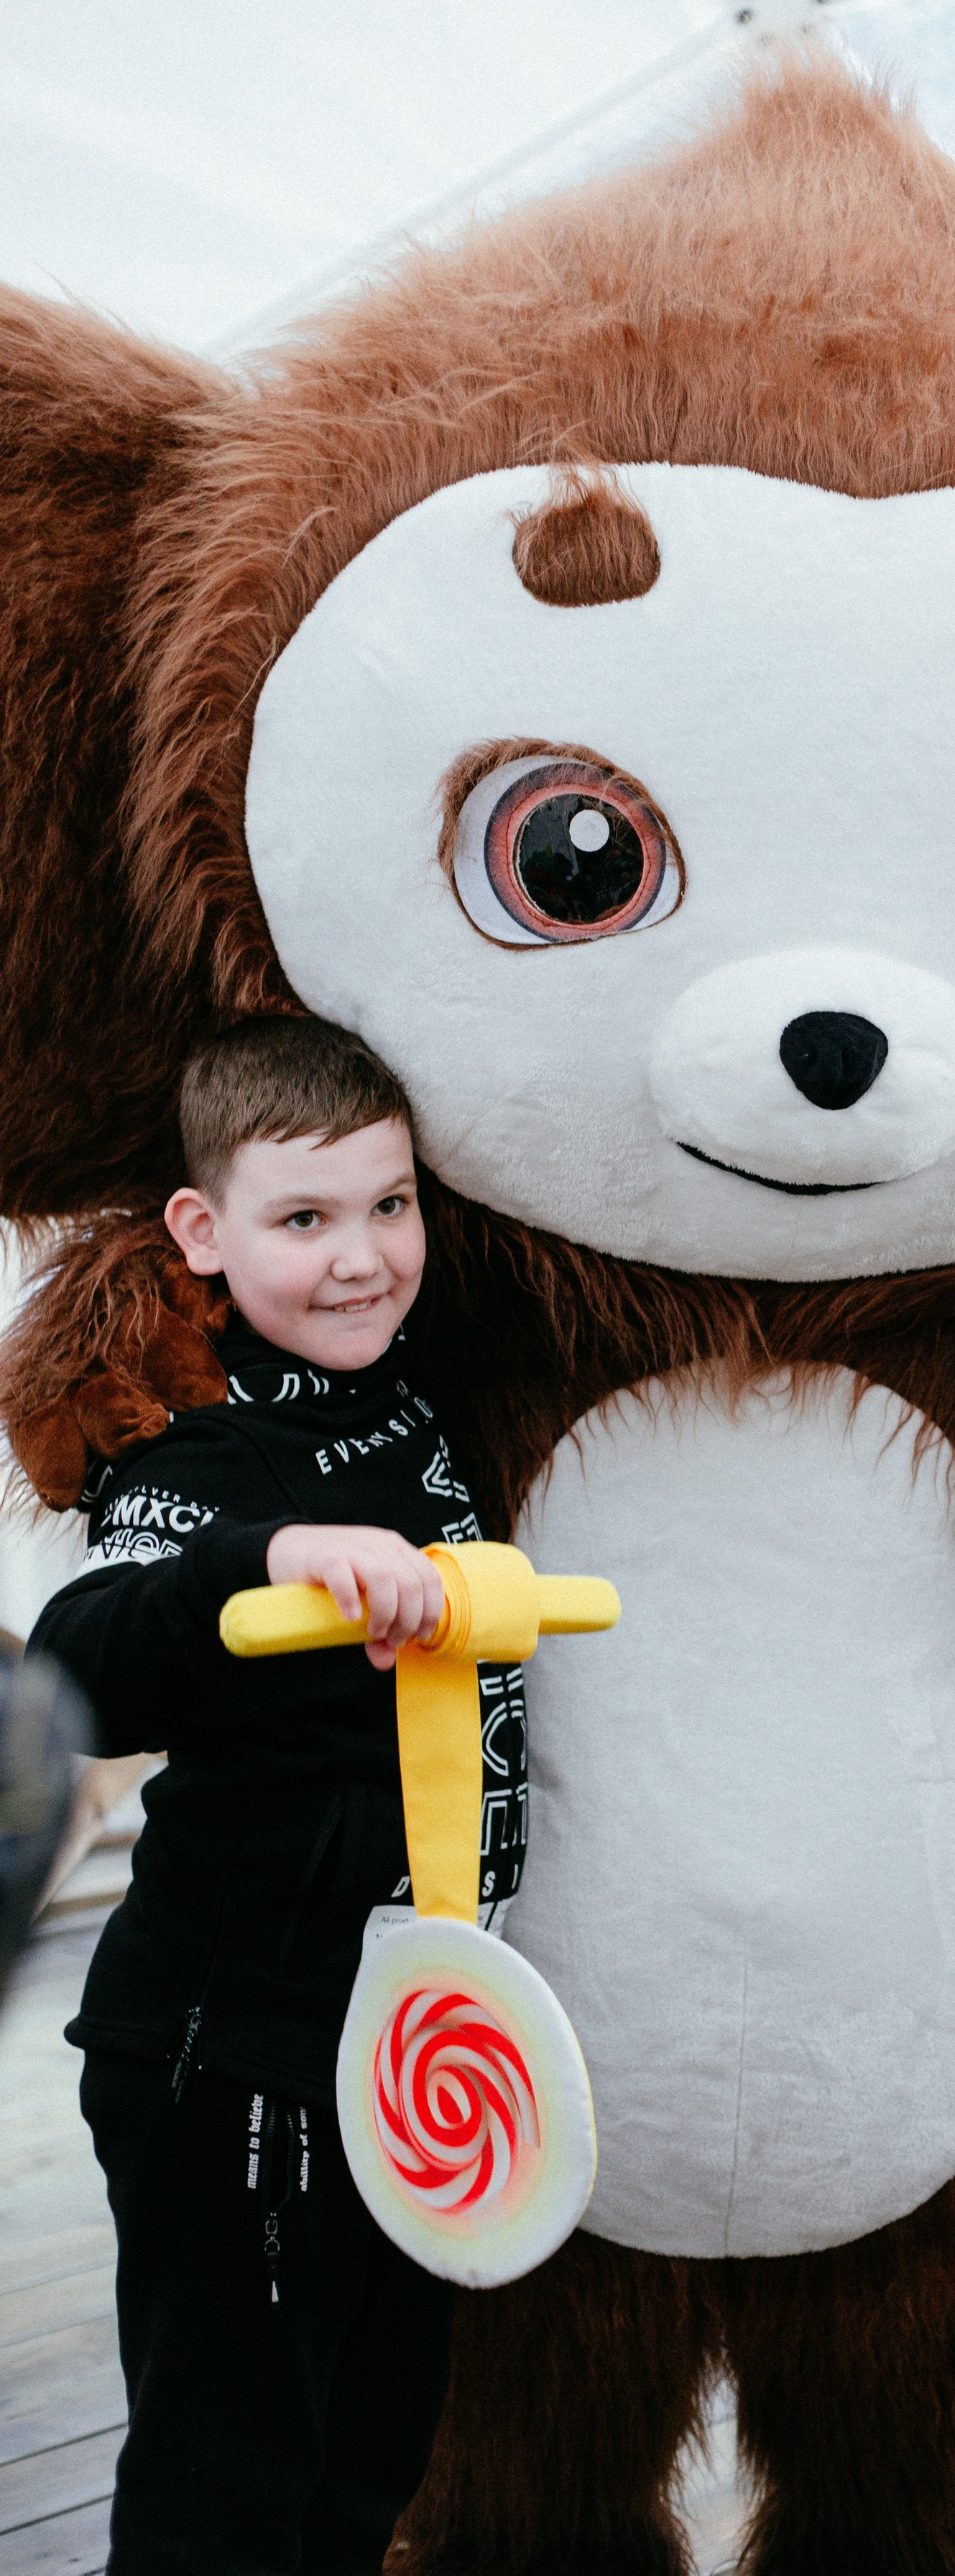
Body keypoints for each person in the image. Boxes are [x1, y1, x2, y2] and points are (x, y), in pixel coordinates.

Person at [25, 1015, 525, 2576]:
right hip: (226, 2050)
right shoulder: (205, 1442)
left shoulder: (424, 1392)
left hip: (406, 2043)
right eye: (303, 1220)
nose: (361, 1258)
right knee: (228, 2492)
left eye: (390, 1205)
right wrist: (275, 1559)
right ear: (203, 1230)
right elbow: (84, 1655)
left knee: (367, 2463)